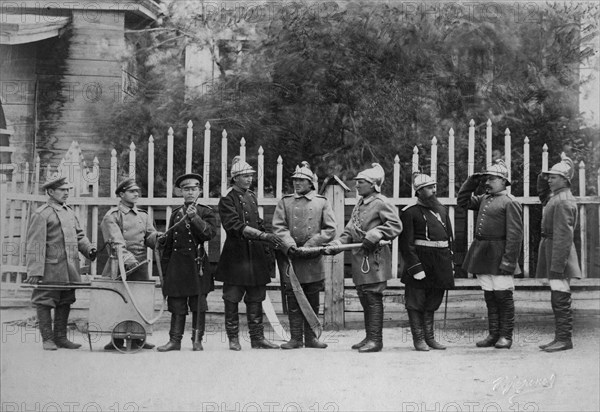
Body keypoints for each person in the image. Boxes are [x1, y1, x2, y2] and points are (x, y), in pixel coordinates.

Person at [327, 163, 402, 353]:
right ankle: (369, 336)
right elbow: (351, 230)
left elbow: (395, 225)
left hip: (375, 257)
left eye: (361, 182)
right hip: (360, 258)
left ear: (373, 184)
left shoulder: (381, 202)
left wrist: (377, 233)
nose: (357, 185)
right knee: (364, 296)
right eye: (357, 182)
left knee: (373, 296)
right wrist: (337, 243)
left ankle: (376, 340)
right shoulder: (360, 203)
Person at [215, 156, 284, 351]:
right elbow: (235, 226)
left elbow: (257, 222)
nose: (249, 179)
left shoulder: (251, 197)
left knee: (256, 297)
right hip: (235, 257)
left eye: (250, 176)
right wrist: (263, 235)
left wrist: (268, 235)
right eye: (245, 176)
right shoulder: (226, 200)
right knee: (232, 298)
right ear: (235, 178)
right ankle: (233, 339)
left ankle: (257, 338)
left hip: (254, 255)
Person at [458, 159, 523, 349]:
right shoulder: (484, 199)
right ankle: (493, 334)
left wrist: (509, 262)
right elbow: (462, 202)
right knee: (489, 295)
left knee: (503, 295)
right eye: (487, 179)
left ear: (504, 181)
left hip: (500, 254)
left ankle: (506, 336)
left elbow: (515, 236)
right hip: (482, 253)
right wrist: (471, 182)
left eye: (492, 179)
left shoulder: (510, 202)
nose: (488, 182)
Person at [25, 176, 97, 350]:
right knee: (45, 301)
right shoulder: (42, 213)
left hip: (69, 267)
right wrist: (34, 271)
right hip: (49, 269)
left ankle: (61, 337)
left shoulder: (69, 212)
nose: (66, 193)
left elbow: (79, 236)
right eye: (62, 190)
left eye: (68, 190)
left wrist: (88, 249)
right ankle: (47, 339)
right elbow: (35, 244)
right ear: (50, 192)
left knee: (65, 300)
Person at [272, 162, 336, 349]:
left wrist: (311, 245)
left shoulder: (321, 202)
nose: (297, 183)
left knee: (312, 298)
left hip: (312, 257)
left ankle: (311, 338)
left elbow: (330, 229)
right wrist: (290, 245)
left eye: (301, 180)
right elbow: (278, 227)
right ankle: (296, 338)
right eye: (295, 180)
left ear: (310, 183)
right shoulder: (285, 202)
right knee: (293, 298)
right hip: (291, 257)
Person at [157, 173, 218, 352]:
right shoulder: (176, 214)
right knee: (176, 304)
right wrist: (166, 270)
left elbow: (209, 235)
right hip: (177, 265)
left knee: (198, 305)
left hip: (196, 264)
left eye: (193, 189)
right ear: (180, 192)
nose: (190, 192)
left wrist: (195, 218)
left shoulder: (206, 211)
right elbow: (169, 243)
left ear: (200, 191)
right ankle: (175, 341)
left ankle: (197, 340)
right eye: (186, 189)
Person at [100, 178, 161, 350]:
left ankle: (138, 337)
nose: (136, 194)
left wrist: (158, 238)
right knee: (120, 300)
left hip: (140, 263)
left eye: (137, 191)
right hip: (119, 263)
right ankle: (116, 339)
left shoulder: (143, 215)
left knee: (140, 300)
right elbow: (115, 242)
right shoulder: (112, 216)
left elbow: (149, 237)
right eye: (132, 191)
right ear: (121, 194)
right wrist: (128, 260)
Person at [399, 172, 455, 351]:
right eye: (430, 188)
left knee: (433, 301)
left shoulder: (441, 209)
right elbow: (406, 244)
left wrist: (450, 263)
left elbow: (450, 238)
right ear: (419, 191)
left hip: (440, 261)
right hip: (421, 261)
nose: (434, 190)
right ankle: (419, 339)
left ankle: (430, 338)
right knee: (415, 302)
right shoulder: (409, 212)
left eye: (433, 187)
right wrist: (415, 267)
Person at [536, 154, 581, 352]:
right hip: (552, 248)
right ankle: (560, 337)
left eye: (553, 177)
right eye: (549, 176)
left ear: (564, 179)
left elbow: (564, 236)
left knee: (560, 293)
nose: (548, 179)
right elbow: (542, 190)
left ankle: (564, 339)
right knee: (557, 292)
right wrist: (544, 174)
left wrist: (557, 265)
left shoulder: (563, 200)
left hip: (558, 252)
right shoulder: (556, 196)